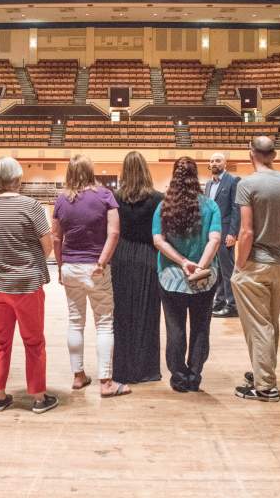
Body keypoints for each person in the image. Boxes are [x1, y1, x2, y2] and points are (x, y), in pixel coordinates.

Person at [0, 157, 58, 414]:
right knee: (34, 342)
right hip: (26, 285)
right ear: (17, 179)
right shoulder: (31, 206)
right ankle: (38, 397)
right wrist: (30, 263)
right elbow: (48, 244)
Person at [52, 154, 130, 398]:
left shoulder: (61, 199)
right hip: (95, 266)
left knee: (76, 321)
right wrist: (102, 262)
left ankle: (78, 376)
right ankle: (106, 382)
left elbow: (56, 237)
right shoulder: (105, 195)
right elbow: (114, 233)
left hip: (71, 267)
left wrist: (61, 265)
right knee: (104, 323)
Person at [231, 137, 280, 402]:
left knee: (258, 326)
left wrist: (240, 264)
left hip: (254, 264)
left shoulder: (246, 184)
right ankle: (265, 373)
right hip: (279, 264)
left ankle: (265, 387)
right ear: (274, 155)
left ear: (251, 154)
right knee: (270, 323)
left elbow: (246, 230)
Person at [152, 156, 221, 393]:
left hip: (170, 278)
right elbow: (215, 239)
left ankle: (179, 377)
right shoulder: (210, 206)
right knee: (201, 327)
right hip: (204, 280)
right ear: (196, 177)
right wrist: (200, 266)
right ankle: (195, 375)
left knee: (175, 328)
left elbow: (158, 240)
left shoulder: (164, 206)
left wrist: (182, 262)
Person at [111, 151, 163, 384]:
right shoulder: (157, 198)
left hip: (121, 255)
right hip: (148, 256)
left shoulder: (115, 197)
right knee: (148, 313)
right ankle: (147, 370)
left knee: (122, 314)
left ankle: (122, 369)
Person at [206, 152, 240, 318]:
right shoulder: (208, 184)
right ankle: (219, 301)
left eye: (218, 160)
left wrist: (233, 233)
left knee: (227, 271)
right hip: (211, 234)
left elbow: (236, 208)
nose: (214, 163)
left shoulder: (233, 181)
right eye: (211, 161)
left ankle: (232, 305)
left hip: (226, 233)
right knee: (216, 270)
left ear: (225, 164)